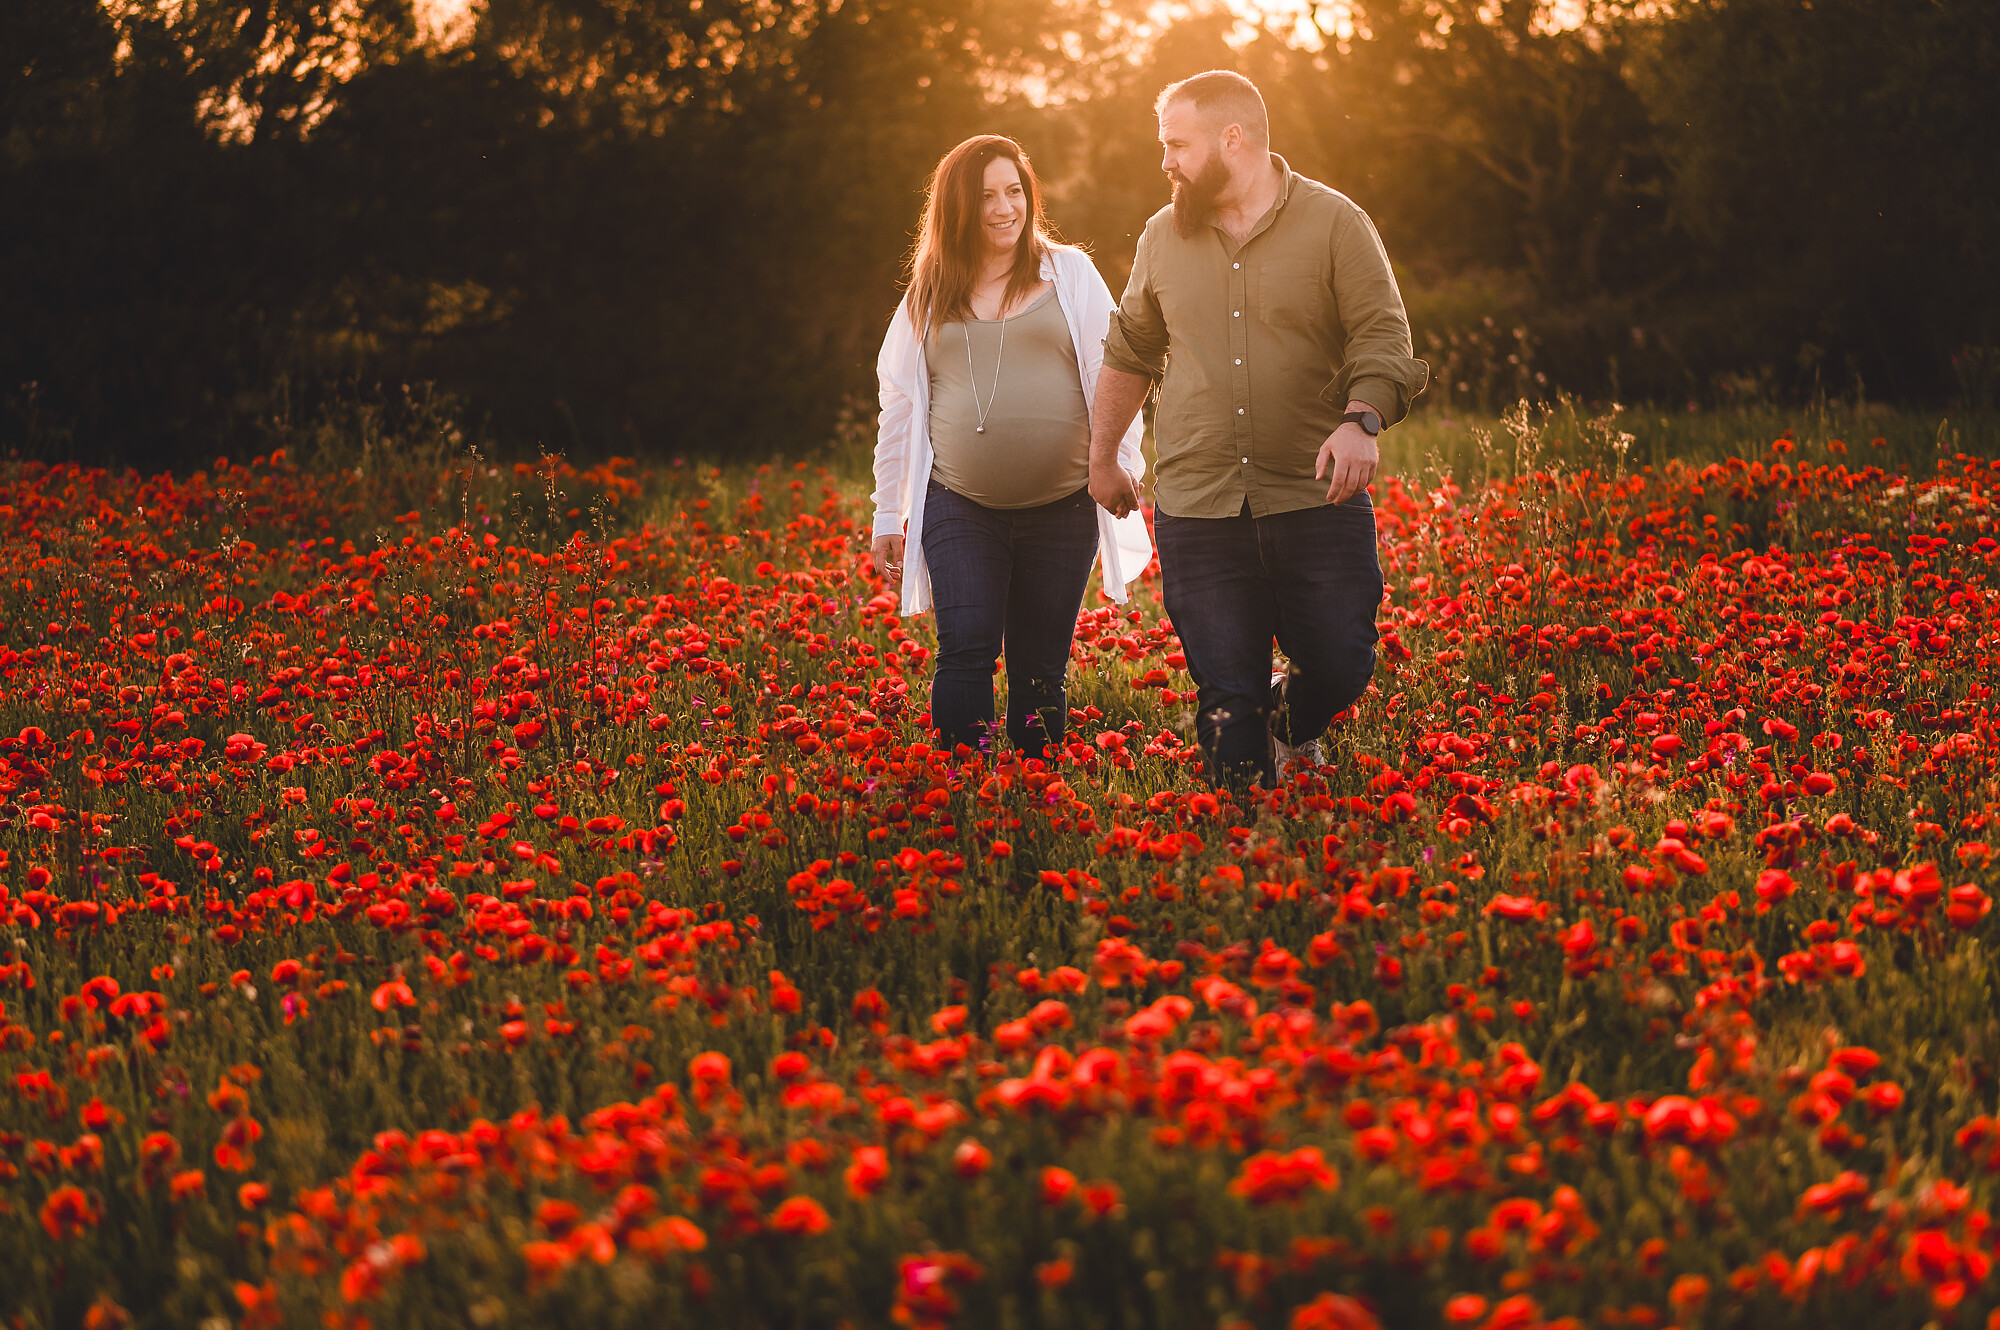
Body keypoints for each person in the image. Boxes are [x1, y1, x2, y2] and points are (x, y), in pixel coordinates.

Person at [1089, 70, 1428, 786]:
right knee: (1226, 703)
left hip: (1314, 498)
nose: (1166, 162)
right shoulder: (1161, 236)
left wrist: (1361, 421)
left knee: (1341, 661)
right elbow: (1129, 351)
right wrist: (1102, 457)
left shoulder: (1336, 223)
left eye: (1177, 144)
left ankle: (1292, 725)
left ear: (1231, 139)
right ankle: (1246, 857)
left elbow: (1382, 337)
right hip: (1199, 504)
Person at [872, 135, 1152, 759]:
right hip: (959, 503)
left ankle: (1033, 793)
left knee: (1038, 668)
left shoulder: (1069, 272)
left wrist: (1120, 464)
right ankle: (960, 794)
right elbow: (899, 405)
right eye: (987, 196)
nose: (1005, 208)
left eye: (1014, 191)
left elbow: (1118, 371)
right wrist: (887, 514)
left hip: (1064, 506)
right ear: (957, 209)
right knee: (966, 647)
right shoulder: (928, 293)